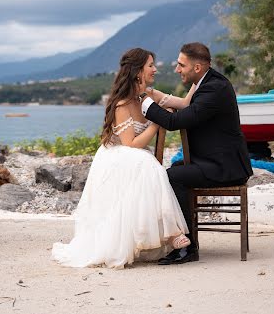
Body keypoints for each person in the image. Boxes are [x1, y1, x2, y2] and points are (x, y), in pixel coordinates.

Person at [51, 48, 193, 269]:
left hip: (135, 156)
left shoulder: (151, 95)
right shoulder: (122, 104)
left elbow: (184, 104)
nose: (155, 69)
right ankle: (172, 233)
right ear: (138, 71)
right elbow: (131, 144)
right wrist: (157, 121)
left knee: (147, 165)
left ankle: (168, 233)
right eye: (151, 66)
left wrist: (199, 80)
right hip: (116, 156)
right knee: (148, 164)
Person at [140, 42, 253, 265]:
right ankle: (180, 237)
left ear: (197, 67)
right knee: (177, 170)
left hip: (226, 167)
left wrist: (143, 101)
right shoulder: (207, 83)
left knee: (173, 177)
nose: (177, 69)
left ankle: (188, 247)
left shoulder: (214, 89)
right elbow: (183, 105)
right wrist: (150, 93)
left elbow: (173, 122)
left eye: (181, 65)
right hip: (215, 160)